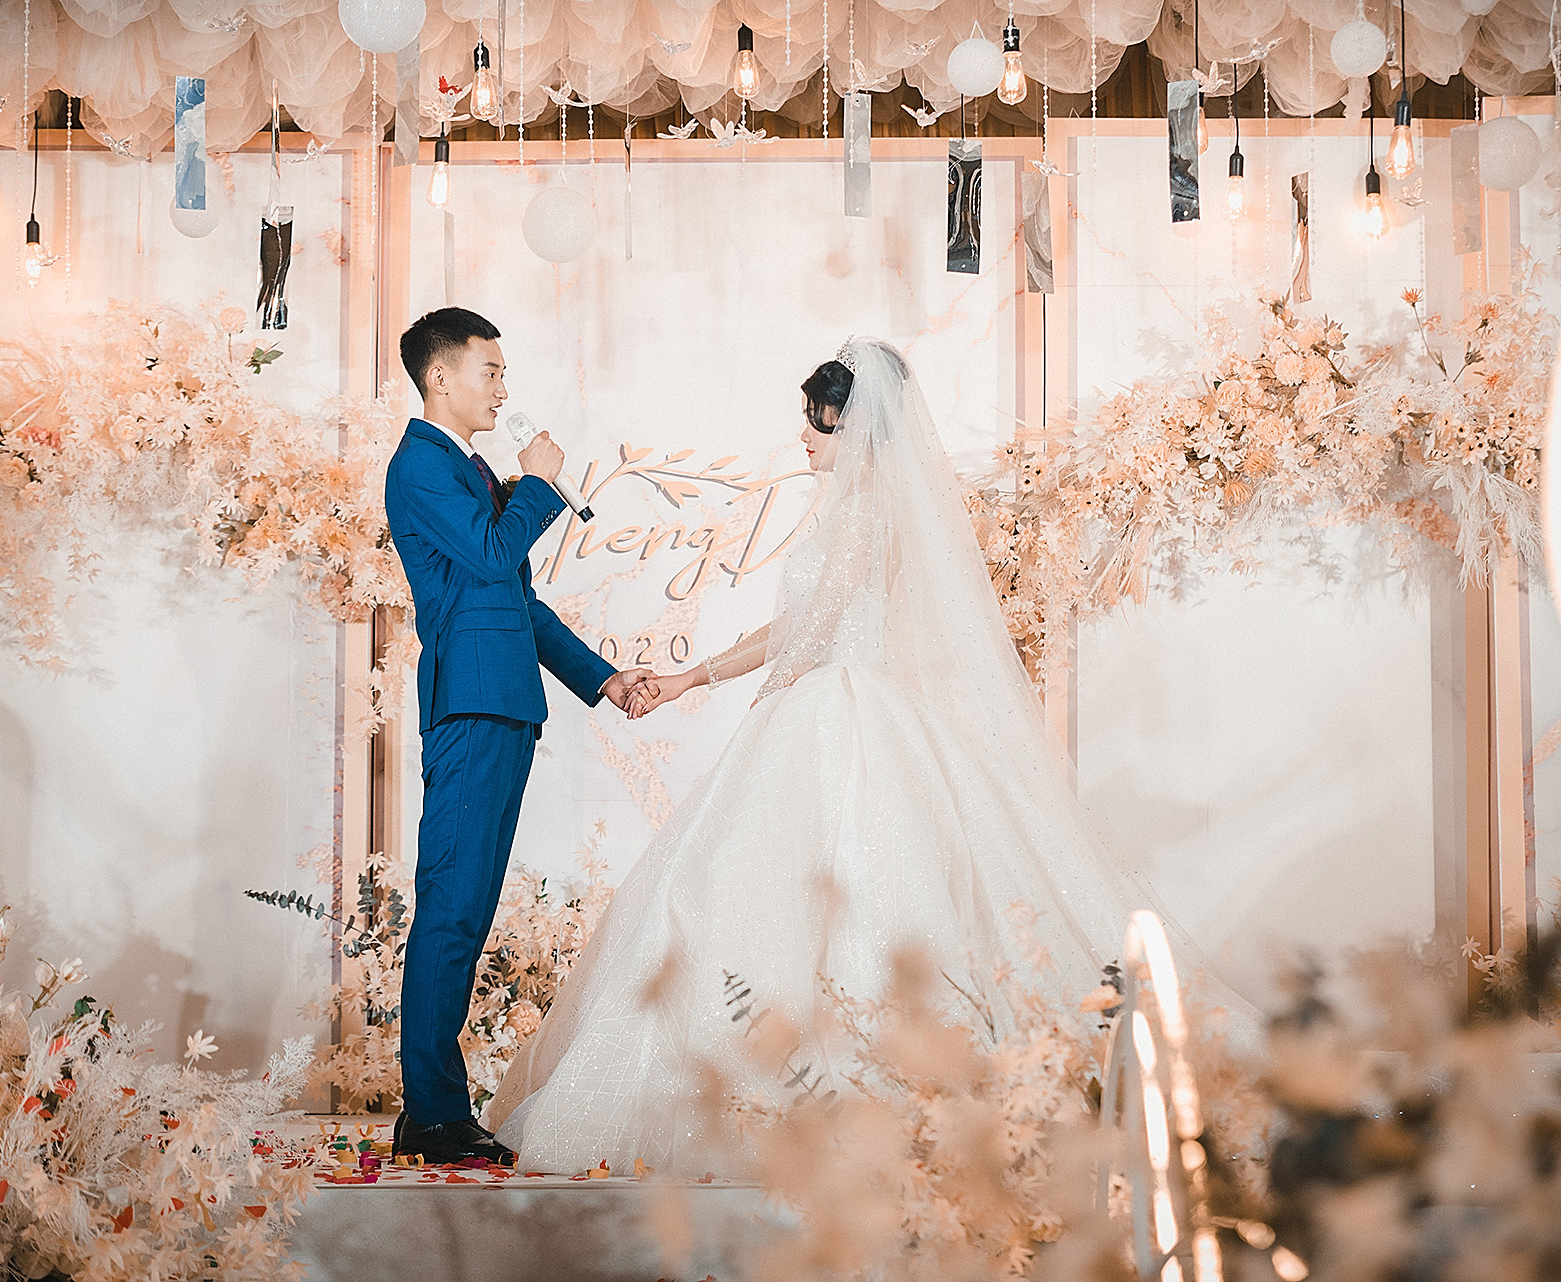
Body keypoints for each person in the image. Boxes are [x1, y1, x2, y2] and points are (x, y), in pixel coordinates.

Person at [483, 338, 1174, 1176]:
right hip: (825, 698)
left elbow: (814, 630)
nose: (803, 437)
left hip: (840, 707)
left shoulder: (868, 513)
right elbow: (792, 629)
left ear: (854, 424)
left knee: (844, 891)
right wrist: (690, 678)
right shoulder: (849, 511)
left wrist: (766, 698)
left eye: (816, 423)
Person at [384, 307, 660, 1166]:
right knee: (452, 907)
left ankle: (435, 1111)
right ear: (440, 377)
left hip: (502, 705)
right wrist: (536, 484)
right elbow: (490, 555)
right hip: (471, 708)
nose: (504, 389)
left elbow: (516, 604)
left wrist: (604, 679)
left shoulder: (466, 470)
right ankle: (432, 1114)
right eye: (491, 371)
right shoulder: (420, 464)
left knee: (466, 907)